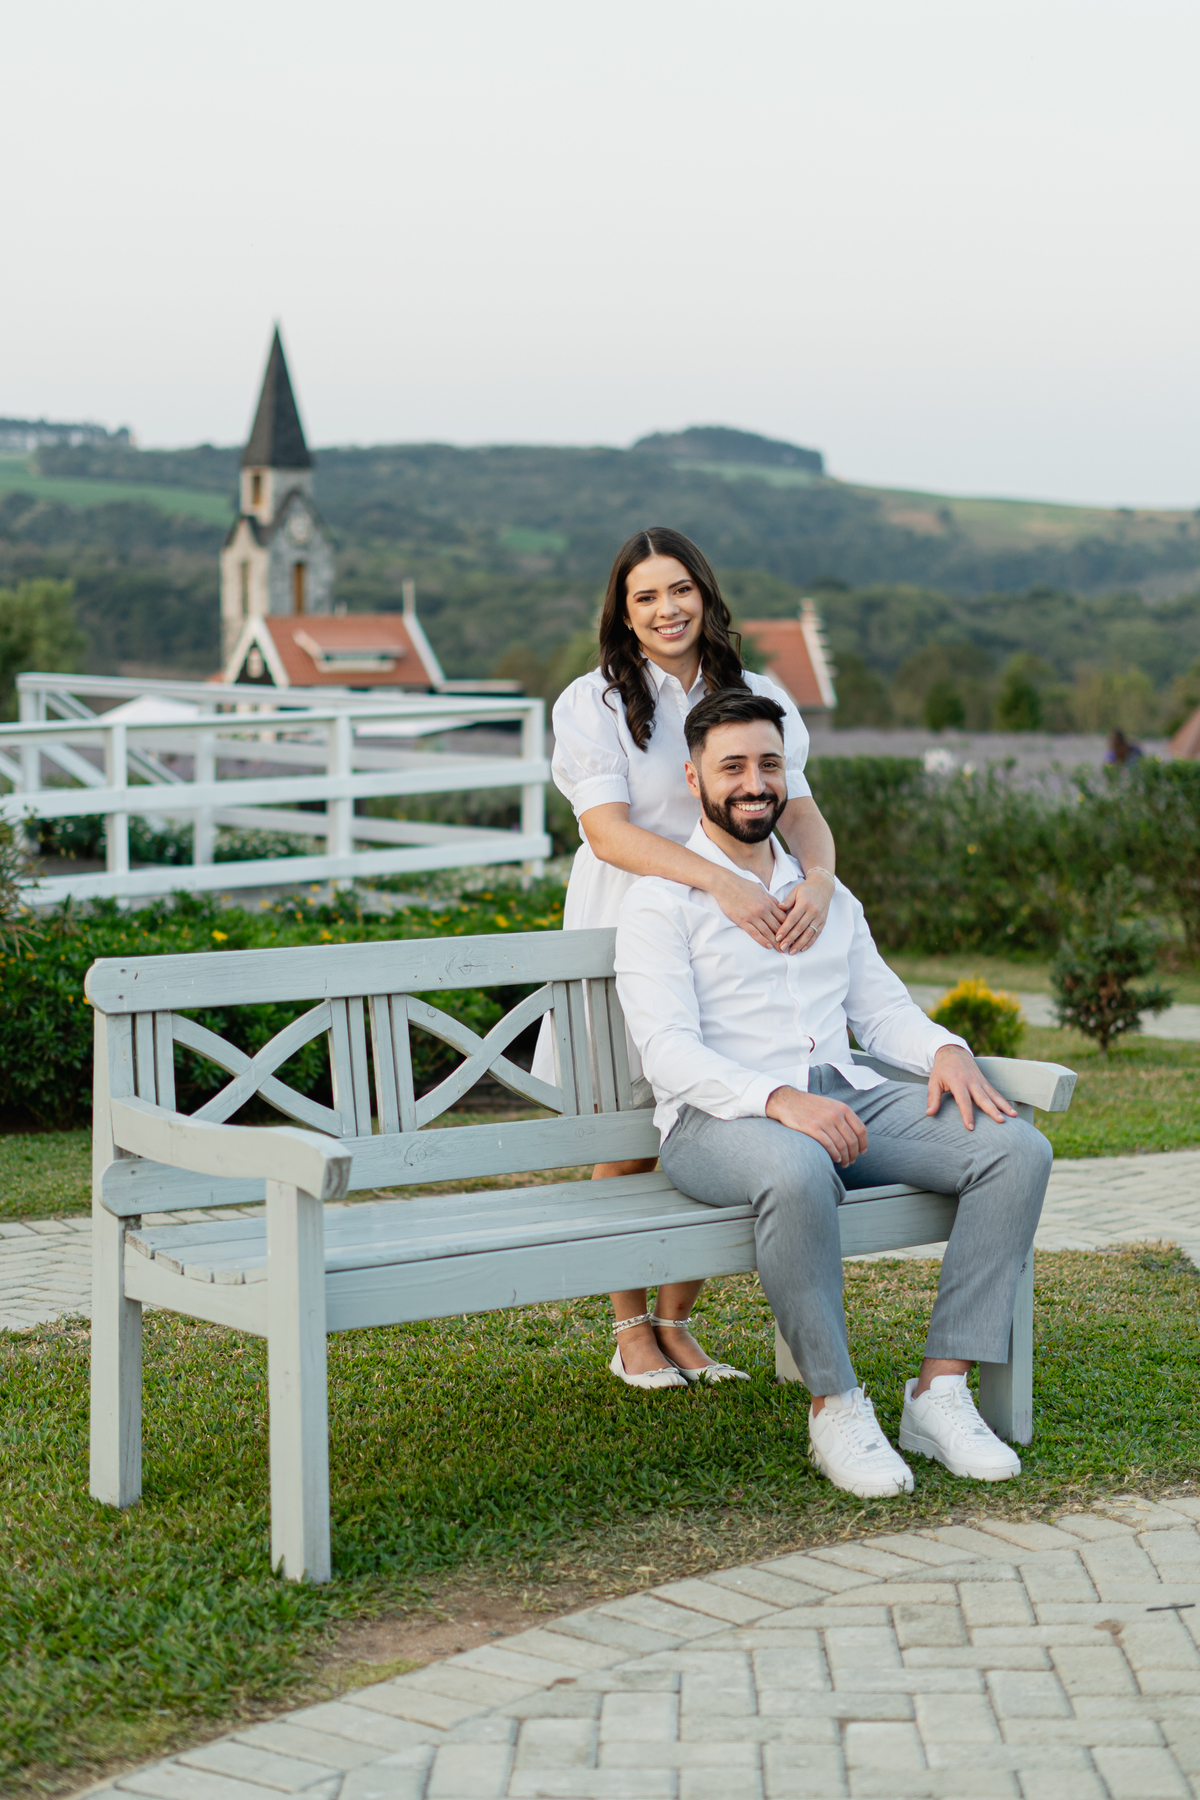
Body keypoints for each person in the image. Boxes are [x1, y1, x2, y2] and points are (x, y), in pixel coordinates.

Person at [614, 687, 1053, 1494]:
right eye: (733, 767)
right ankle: (836, 1405)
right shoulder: (661, 902)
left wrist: (946, 1048)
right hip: (719, 1120)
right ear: (694, 777)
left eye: (769, 764)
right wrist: (781, 1101)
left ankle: (939, 1393)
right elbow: (667, 1052)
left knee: (1015, 1150)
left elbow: (881, 1010)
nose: (755, 783)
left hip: (842, 1097)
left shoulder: (825, 895)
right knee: (796, 1166)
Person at [541, 527, 839, 1390]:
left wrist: (820, 879)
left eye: (680, 590)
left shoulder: (758, 692)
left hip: (731, 944)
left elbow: (799, 810)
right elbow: (608, 833)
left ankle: (677, 1322)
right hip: (627, 926)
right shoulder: (592, 703)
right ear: (623, 612)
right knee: (631, 1131)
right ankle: (629, 1328)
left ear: (705, 595)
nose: (666, 609)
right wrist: (722, 881)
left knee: (718, 1114)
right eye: (645, 596)